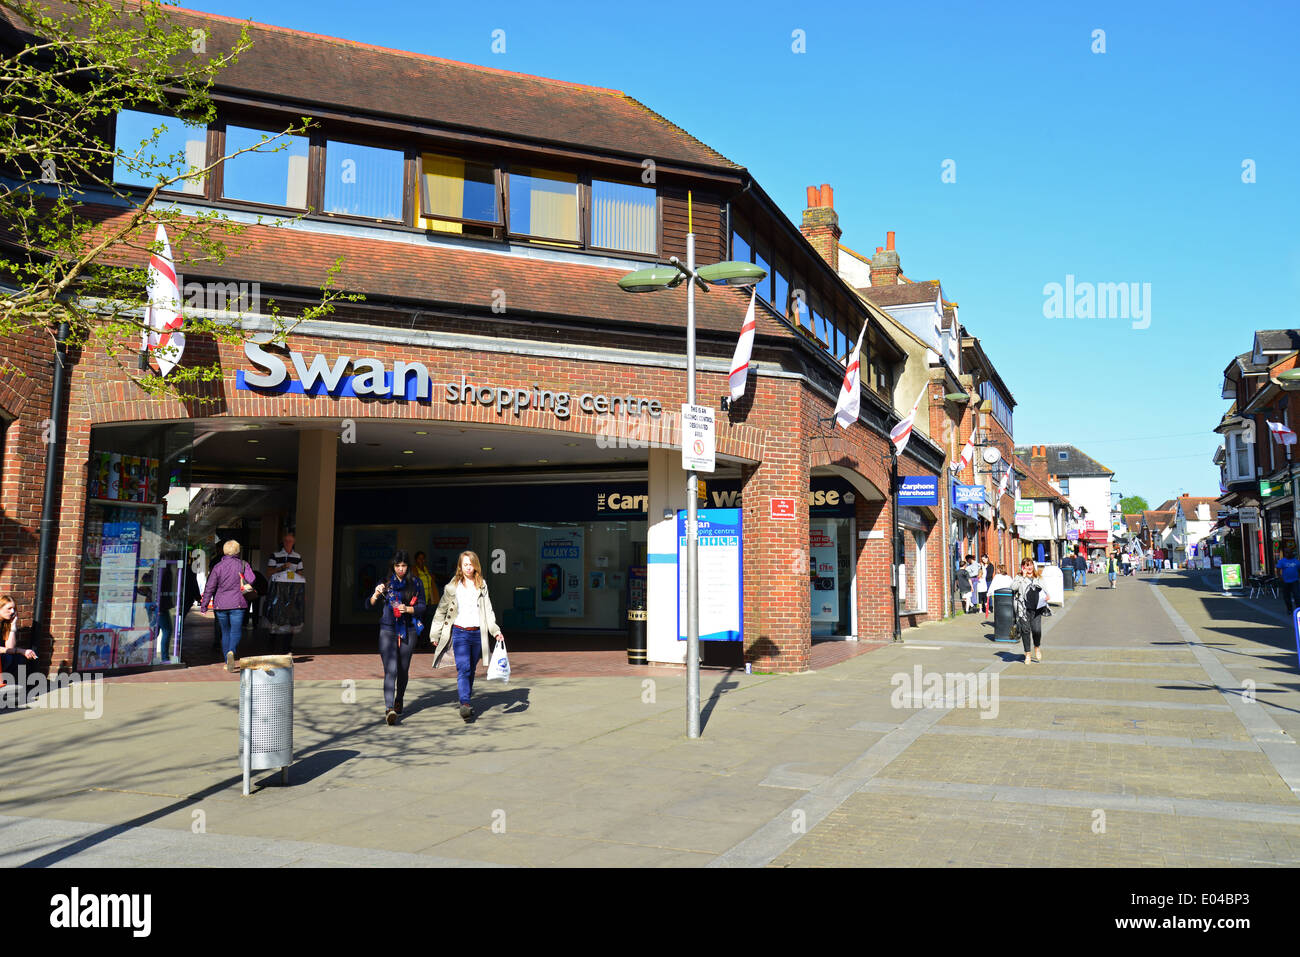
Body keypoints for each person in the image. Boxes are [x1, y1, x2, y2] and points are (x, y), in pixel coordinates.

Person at [431, 550, 505, 722]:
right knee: (463, 668)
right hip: (459, 632)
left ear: (475, 565)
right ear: (460, 566)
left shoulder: (482, 585)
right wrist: (435, 634)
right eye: (465, 564)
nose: (468, 567)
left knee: (471, 669)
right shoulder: (452, 586)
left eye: (471, 564)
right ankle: (464, 703)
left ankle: (466, 699)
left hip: (477, 634)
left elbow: (488, 610)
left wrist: (495, 631)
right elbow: (441, 610)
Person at [368, 550, 426, 725]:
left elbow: (423, 606)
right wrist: (376, 594)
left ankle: (399, 698)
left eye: (403, 565)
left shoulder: (415, 582)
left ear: (408, 567)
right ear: (392, 566)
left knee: (403, 668)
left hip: (409, 629)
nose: (400, 569)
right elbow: (369, 604)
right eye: (397, 565)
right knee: (390, 669)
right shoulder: (386, 583)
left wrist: (408, 609)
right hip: (388, 630)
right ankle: (389, 708)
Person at [200, 540, 257, 669]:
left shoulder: (218, 567)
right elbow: (252, 579)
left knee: (225, 632)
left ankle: (227, 661)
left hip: (221, 605)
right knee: (235, 631)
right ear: (238, 551)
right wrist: (242, 576)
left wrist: (204, 606)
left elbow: (210, 587)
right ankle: (232, 651)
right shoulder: (243, 564)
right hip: (238, 603)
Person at [266, 531, 305, 653]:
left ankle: (287, 648)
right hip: (277, 592)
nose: (288, 543)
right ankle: (272, 646)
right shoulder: (275, 555)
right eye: (286, 541)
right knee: (276, 616)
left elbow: (300, 574)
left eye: (291, 541)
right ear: (283, 542)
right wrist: (282, 568)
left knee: (290, 617)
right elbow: (269, 573)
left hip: (292, 593)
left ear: (294, 542)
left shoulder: (297, 557)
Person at [1011, 558, 1046, 664]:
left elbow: (1045, 589)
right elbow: (1013, 587)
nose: (1029, 567)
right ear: (1023, 567)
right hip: (1023, 608)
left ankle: (1037, 647)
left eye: (1030, 565)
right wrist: (1023, 576)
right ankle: (1028, 654)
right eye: (1027, 565)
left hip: (1037, 608)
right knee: (1025, 631)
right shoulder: (1019, 577)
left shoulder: (1038, 577)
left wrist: (1047, 596)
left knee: (1036, 630)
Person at [1, 594, 38, 686]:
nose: (12, 611)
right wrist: (21, 650)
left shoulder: (5, 624)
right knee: (9, 658)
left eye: (14, 608)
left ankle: (17, 688)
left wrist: (13, 625)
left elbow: (9, 647)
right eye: (9, 608)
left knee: (19, 659)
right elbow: (8, 650)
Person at [412, 551, 440, 641]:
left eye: (423, 558)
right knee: (419, 621)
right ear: (416, 560)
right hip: (419, 599)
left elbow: (432, 579)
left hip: (428, 598)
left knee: (427, 621)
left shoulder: (425, 568)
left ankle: (424, 641)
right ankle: (418, 641)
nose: (422, 560)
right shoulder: (414, 569)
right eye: (420, 558)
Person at [1279, 546, 1300, 614]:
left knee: (1297, 596)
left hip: (1295, 581)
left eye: (1289, 552)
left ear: (1292, 553)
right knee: (1286, 596)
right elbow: (1278, 569)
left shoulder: (1296, 561)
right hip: (1285, 581)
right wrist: (1280, 577)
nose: (1288, 554)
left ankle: (1298, 609)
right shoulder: (1282, 561)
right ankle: (1289, 609)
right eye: (1286, 553)